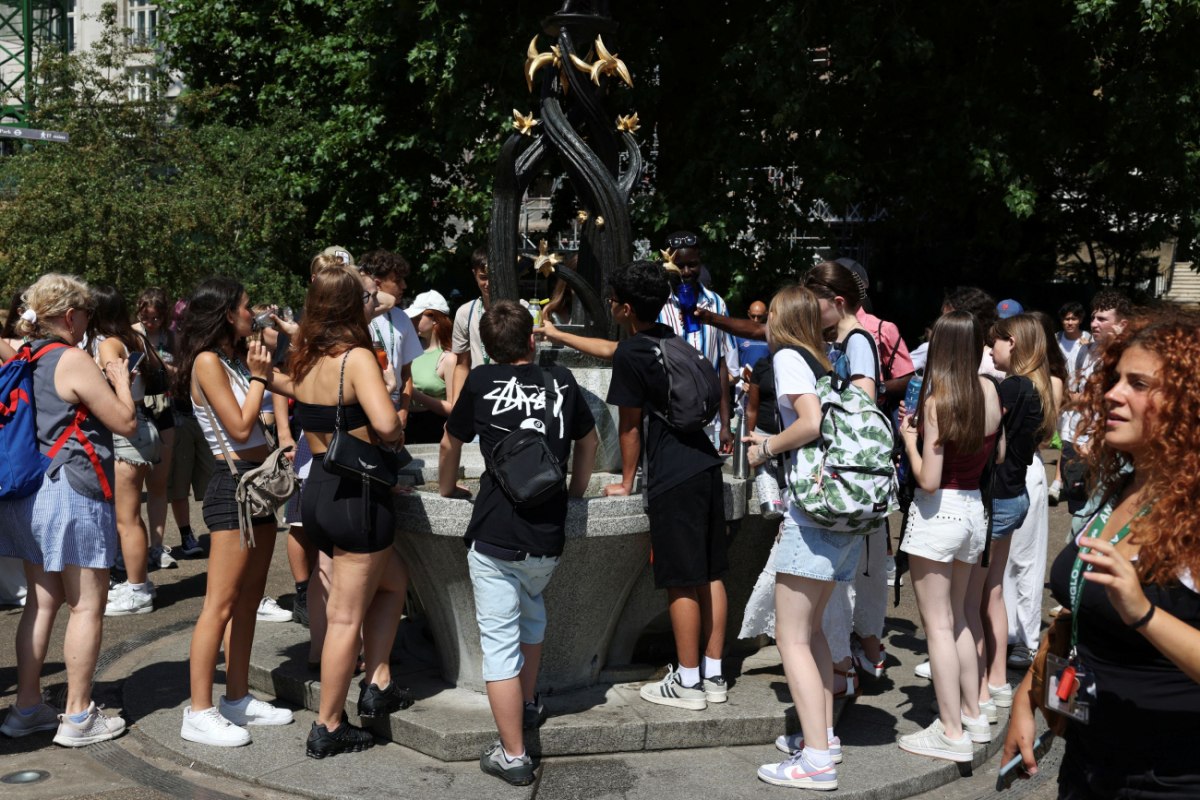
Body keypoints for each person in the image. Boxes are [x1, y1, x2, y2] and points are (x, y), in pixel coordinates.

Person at [1003, 311, 1200, 798]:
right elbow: (1080, 612)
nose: (1112, 394)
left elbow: (1132, 613)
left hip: (1167, 778)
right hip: (1088, 762)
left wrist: (1144, 613)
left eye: (1139, 384)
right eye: (1116, 380)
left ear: (1188, 403)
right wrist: (1027, 699)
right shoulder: (1120, 488)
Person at [439, 299, 597, 785]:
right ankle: (527, 704)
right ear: (531, 339)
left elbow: (449, 442)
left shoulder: (481, 381)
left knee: (500, 648)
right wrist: (574, 494)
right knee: (532, 617)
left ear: (488, 348)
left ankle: (513, 755)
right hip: (547, 535)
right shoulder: (562, 381)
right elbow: (589, 442)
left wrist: (446, 489)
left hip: (496, 534)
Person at [0, 274, 135, 745]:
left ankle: (27, 708)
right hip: (71, 489)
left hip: (28, 492)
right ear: (71, 316)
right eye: (87, 316)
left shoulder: (23, 354)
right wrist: (120, 381)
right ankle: (78, 716)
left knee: (41, 602)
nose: (88, 325)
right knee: (87, 604)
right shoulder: (71, 359)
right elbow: (125, 422)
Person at [290, 266, 413, 758]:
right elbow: (386, 426)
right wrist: (394, 409)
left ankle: (378, 681)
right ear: (350, 306)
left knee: (394, 582)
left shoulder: (303, 356)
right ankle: (328, 725)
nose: (372, 302)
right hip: (358, 495)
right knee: (344, 618)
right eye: (366, 297)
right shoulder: (356, 357)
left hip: (319, 490)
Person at [744, 285, 859, 791]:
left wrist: (767, 446)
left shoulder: (788, 358)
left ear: (782, 318)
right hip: (839, 517)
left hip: (811, 519)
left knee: (790, 637)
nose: (764, 324)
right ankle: (823, 739)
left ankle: (815, 761)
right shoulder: (823, 361)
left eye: (769, 315)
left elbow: (809, 423)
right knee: (812, 633)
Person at [603, 261, 730, 714]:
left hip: (673, 474)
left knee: (680, 579)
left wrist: (626, 481)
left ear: (625, 308)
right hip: (705, 463)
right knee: (711, 572)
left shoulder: (631, 353)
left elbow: (629, 427)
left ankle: (688, 682)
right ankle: (714, 674)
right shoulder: (674, 340)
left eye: (614, 299)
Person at [176, 278, 295, 747]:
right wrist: (260, 378)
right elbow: (241, 425)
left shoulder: (234, 358)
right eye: (247, 306)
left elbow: (299, 385)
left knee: (249, 599)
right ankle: (198, 710)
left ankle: (237, 697)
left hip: (258, 485)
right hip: (232, 489)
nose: (254, 313)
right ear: (227, 313)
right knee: (219, 604)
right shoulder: (207, 362)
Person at [896, 310, 1002, 762]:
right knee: (958, 618)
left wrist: (909, 440)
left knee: (938, 625)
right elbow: (997, 453)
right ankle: (973, 714)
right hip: (974, 510)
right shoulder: (989, 391)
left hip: (940, 514)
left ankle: (951, 731)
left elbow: (929, 479)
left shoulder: (939, 400)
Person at [803, 262, 888, 695]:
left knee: (844, 580)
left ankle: (843, 670)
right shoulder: (849, 339)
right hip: (849, 476)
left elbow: (861, 409)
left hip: (848, 479)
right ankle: (843, 666)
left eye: (815, 303)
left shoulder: (857, 342)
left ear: (838, 302)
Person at [969, 314, 1055, 725]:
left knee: (973, 599)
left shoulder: (1012, 387)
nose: (991, 349)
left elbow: (984, 439)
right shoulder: (1035, 387)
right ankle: (998, 680)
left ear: (1014, 343)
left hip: (998, 497)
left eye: (996, 342)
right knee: (993, 591)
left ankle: (979, 691)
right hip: (1014, 494)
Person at [89, 285, 163, 616]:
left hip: (125, 433)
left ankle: (137, 591)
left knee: (127, 519)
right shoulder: (135, 338)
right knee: (131, 516)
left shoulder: (108, 344)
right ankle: (138, 581)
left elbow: (113, 386)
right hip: (143, 424)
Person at [1003, 311, 1066, 668]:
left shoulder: (1044, 383)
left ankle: (1025, 640)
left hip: (1028, 469)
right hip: (1016, 471)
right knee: (1003, 559)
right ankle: (1006, 632)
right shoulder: (1011, 381)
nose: (992, 347)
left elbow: (1045, 436)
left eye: (999, 340)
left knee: (1025, 558)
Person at [657, 231, 736, 454]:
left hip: (708, 422)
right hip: (667, 419)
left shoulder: (716, 303)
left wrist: (725, 424)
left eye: (692, 265)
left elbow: (722, 365)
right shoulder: (657, 303)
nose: (686, 272)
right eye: (679, 265)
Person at [1052, 290, 1131, 511]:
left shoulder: (1129, 356)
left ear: (1122, 324)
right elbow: (1075, 392)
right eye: (1094, 317)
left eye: (1102, 319)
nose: (1094, 323)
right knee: (1077, 506)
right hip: (1077, 439)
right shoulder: (1085, 351)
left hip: (1108, 445)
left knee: (1106, 510)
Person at [133, 287, 186, 567]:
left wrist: (159, 365)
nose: (150, 323)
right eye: (146, 317)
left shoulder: (172, 338)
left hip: (164, 409)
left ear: (164, 316)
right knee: (132, 485)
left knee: (158, 483)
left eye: (155, 318)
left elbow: (182, 374)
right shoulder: (132, 334)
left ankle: (157, 545)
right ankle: (131, 547)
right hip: (136, 408)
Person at [360, 249, 423, 429]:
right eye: (397, 280)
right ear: (377, 283)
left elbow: (406, 373)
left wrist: (404, 410)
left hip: (394, 406)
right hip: (363, 405)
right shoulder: (357, 316)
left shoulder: (402, 318)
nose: (404, 286)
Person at [404, 290, 456, 445]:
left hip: (433, 430)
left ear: (434, 319)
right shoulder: (409, 350)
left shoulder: (448, 358)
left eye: (418, 317)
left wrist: (414, 394)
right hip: (405, 425)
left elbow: (453, 408)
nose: (412, 321)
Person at [450, 247, 491, 404]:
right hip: (478, 396)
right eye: (483, 277)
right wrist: (456, 408)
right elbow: (462, 365)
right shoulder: (465, 312)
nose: (488, 284)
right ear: (474, 274)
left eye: (493, 277)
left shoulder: (522, 309)